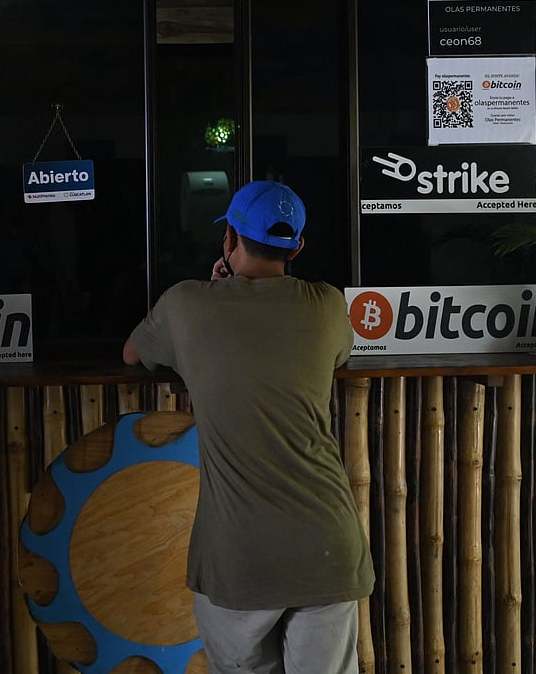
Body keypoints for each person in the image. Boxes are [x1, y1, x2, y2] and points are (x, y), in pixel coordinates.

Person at [122, 180, 373, 674]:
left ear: (229, 240)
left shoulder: (187, 304)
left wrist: (217, 291)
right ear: (296, 246)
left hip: (238, 556)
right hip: (326, 547)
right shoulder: (325, 304)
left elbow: (133, 354)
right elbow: (339, 352)